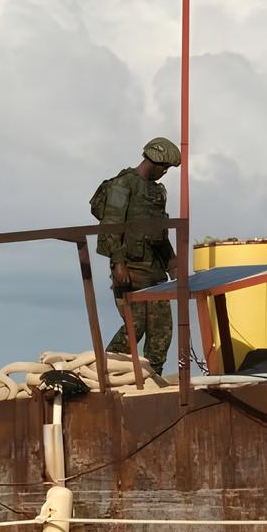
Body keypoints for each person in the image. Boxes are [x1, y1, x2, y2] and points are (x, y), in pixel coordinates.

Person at [90, 137, 182, 374]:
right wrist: (118, 263)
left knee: (162, 331)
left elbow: (160, 234)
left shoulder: (157, 191)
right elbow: (110, 226)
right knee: (135, 327)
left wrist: (174, 267)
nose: (165, 173)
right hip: (130, 271)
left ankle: (153, 379)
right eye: (165, 168)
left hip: (155, 273)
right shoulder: (123, 185)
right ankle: (106, 373)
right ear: (154, 161)